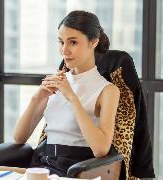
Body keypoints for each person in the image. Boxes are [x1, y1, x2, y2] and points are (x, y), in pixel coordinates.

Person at [13, 10, 120, 177]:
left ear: (93, 42)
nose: (64, 50)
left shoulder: (107, 91)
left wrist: (72, 97)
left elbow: (101, 149)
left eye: (73, 42)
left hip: (74, 170)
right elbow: (19, 138)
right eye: (61, 42)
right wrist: (38, 97)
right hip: (43, 164)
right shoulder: (58, 81)